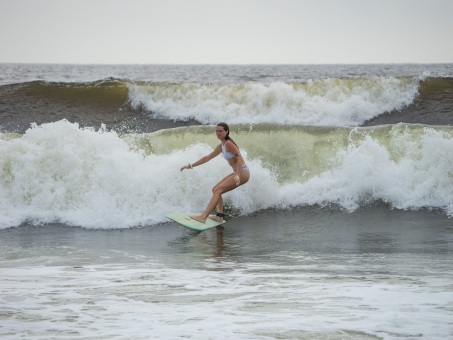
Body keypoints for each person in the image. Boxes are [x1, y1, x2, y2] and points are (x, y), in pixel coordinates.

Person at [180, 122, 250, 223]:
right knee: (215, 190)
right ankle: (219, 217)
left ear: (226, 132)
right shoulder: (221, 146)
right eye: (217, 131)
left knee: (218, 190)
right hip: (238, 172)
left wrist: (238, 175)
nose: (218, 133)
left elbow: (239, 158)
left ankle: (203, 217)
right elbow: (207, 158)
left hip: (242, 173)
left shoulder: (229, 144)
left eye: (220, 131)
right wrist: (190, 166)